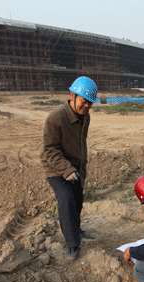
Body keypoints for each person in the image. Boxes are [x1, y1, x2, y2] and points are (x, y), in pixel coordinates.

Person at [40, 76, 97, 261]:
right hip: (56, 168)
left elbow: (81, 143)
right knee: (66, 199)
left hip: (76, 167)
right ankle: (72, 243)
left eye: (90, 102)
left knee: (78, 199)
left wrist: (79, 167)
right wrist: (67, 170)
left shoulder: (85, 116)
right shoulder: (55, 118)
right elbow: (50, 150)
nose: (87, 106)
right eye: (83, 101)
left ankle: (77, 229)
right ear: (72, 96)